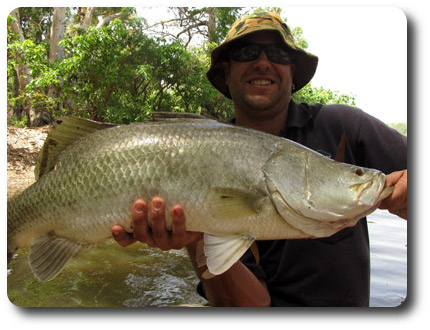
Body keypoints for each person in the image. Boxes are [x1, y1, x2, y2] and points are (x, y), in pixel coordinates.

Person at [111, 12, 407, 307]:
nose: (263, 62)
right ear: (227, 72)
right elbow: (250, 307)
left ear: (292, 72)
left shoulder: (342, 125)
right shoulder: (203, 150)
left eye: (278, 53)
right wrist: (198, 239)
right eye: (246, 52)